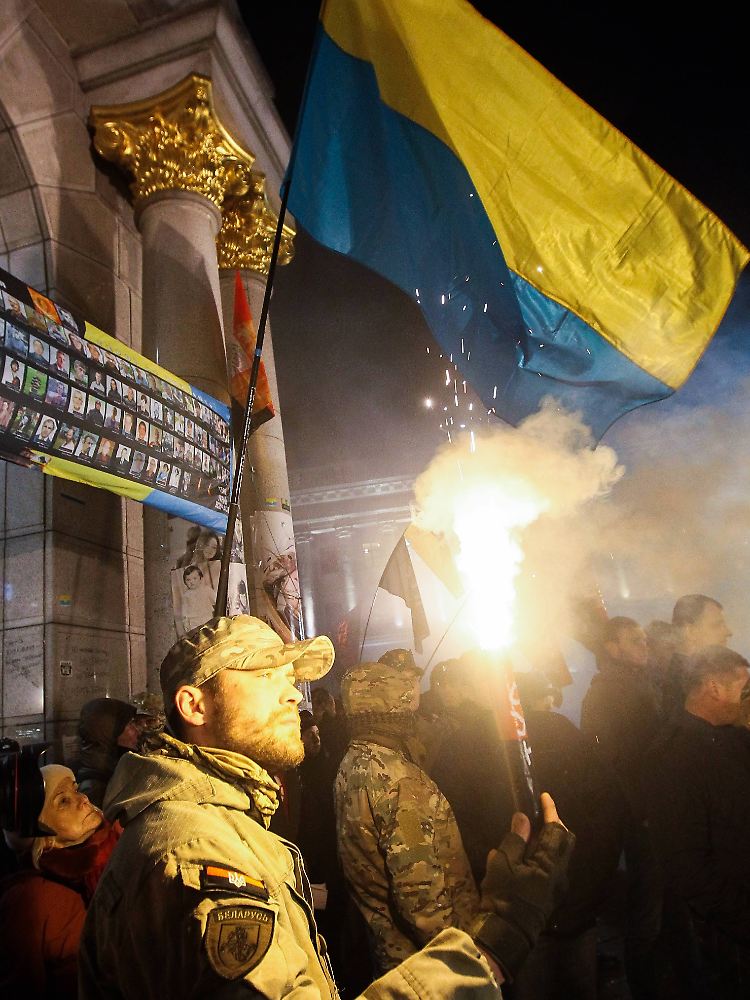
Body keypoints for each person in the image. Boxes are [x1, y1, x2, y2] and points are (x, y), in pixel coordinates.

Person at [78, 615, 574, 999]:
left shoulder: (222, 819)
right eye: (267, 674)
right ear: (194, 706)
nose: (294, 692)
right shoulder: (195, 850)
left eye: (292, 676)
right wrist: (491, 944)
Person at [335, 654, 523, 977]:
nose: (414, 696)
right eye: (403, 688)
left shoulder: (353, 763)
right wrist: (467, 963)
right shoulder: (400, 780)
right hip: (433, 965)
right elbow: (421, 901)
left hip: (389, 955)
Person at [645, 646, 750, 997]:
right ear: (714, 688)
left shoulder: (731, 737)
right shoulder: (674, 756)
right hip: (726, 929)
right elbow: (686, 863)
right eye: (744, 689)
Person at [0, 763, 119, 998]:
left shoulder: (120, 846)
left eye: (75, 789)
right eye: (63, 801)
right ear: (45, 840)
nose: (83, 798)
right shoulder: (31, 901)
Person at [661, 595, 732, 719]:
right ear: (690, 631)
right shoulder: (691, 682)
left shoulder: (694, 675)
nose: (728, 632)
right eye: (717, 625)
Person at [76, 698, 141, 808]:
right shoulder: (96, 790)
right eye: (130, 724)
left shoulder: (114, 769)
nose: (137, 730)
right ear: (110, 731)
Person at [180, 565, 216, 633]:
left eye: (194, 578)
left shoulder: (207, 590)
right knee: (197, 637)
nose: (191, 582)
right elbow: (184, 611)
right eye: (188, 580)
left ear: (201, 578)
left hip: (207, 617)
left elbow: (216, 600)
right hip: (193, 621)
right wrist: (186, 623)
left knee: (209, 633)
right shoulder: (186, 595)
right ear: (185, 582)